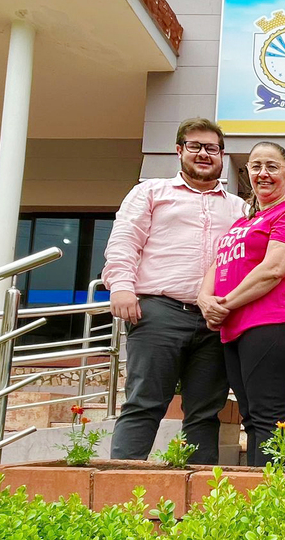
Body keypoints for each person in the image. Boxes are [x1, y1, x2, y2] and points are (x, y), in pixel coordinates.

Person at [104, 117, 245, 464]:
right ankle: (120, 493)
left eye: (211, 148)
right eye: (195, 146)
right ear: (179, 150)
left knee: (205, 412)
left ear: (222, 155)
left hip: (215, 320)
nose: (203, 154)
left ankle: (199, 503)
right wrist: (121, 287)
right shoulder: (151, 192)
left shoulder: (239, 208)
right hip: (158, 312)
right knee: (144, 403)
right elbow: (124, 240)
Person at [197, 142, 285, 468]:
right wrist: (204, 300)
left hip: (271, 324)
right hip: (234, 329)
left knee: (269, 418)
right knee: (251, 418)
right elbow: (217, 266)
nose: (262, 173)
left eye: (272, 166)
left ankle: (273, 501)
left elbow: (274, 269)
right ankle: (257, 498)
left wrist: (224, 304)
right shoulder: (242, 223)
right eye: (255, 166)